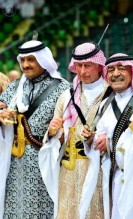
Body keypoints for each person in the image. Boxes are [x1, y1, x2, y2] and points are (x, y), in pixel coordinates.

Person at [83, 53, 133, 219]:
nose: (115, 74)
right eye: (111, 70)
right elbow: (103, 138)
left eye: (122, 69)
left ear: (132, 72)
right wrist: (94, 140)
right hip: (118, 177)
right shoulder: (105, 105)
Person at [0, 39, 70, 218]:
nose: (25, 65)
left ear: (43, 60)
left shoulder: (63, 89)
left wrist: (59, 132)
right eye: (22, 60)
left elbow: (70, 127)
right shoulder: (14, 88)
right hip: (13, 163)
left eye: (31, 60)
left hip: (45, 163)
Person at [39, 42, 109, 219]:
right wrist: (54, 132)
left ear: (99, 66)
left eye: (88, 66)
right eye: (79, 66)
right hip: (68, 171)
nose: (83, 71)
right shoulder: (67, 96)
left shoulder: (111, 94)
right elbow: (58, 141)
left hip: (98, 170)